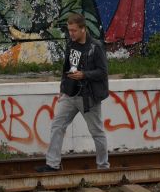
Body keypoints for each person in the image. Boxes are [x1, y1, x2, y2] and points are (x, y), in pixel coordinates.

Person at [36, 12, 109, 172]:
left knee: (97, 132)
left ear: (83, 29)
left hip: (88, 97)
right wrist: (62, 89)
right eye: (69, 30)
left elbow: (103, 72)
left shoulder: (95, 47)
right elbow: (66, 68)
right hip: (70, 94)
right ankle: (52, 164)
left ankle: (103, 167)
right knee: (57, 126)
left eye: (74, 30)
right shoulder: (71, 44)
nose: (71, 33)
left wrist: (84, 75)